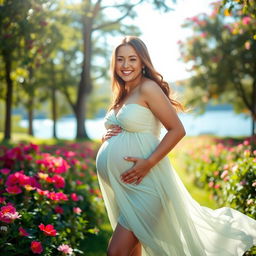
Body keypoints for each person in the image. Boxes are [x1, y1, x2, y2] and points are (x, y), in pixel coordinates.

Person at [95, 36, 256, 256]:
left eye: (132, 59)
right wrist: (107, 137)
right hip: (127, 186)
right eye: (120, 59)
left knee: (116, 252)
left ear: (143, 62)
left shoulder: (148, 88)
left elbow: (177, 130)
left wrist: (148, 163)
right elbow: (130, 128)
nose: (126, 65)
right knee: (132, 252)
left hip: (147, 183)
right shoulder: (123, 93)